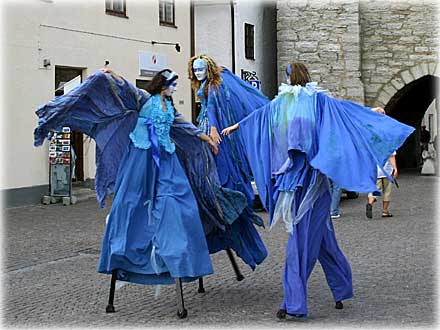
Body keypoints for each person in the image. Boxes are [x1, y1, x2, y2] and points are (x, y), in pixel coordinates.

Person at [222, 62, 414, 318]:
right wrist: (238, 126)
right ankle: (342, 286)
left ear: (291, 77)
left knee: (300, 243)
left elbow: (343, 113)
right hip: (296, 179)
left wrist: (370, 111)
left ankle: (293, 303)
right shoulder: (284, 102)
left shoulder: (316, 101)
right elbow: (260, 115)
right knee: (323, 240)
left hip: (310, 181)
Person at [187, 54, 270, 268]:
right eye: (195, 70)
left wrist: (213, 131)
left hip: (209, 130)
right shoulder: (212, 83)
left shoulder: (212, 89)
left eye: (201, 69)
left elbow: (213, 110)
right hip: (205, 127)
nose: (197, 73)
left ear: (208, 69)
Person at [366, 152, 398, 218]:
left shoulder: (373, 145)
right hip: (387, 172)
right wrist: (395, 169)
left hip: (376, 172)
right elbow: (391, 157)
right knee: (387, 191)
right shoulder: (389, 145)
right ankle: (385, 211)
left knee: (375, 190)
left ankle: (370, 203)